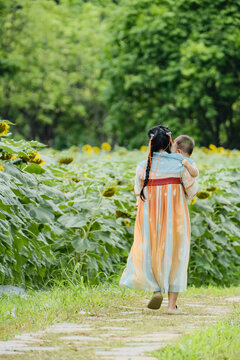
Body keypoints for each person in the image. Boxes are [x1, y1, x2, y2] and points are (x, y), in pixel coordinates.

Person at [119, 125, 196, 313]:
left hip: (148, 218)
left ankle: (155, 288)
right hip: (176, 216)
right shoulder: (180, 162)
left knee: (149, 251)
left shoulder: (143, 166)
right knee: (176, 253)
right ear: (170, 143)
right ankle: (171, 306)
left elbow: (139, 192)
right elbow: (191, 189)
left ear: (150, 144)